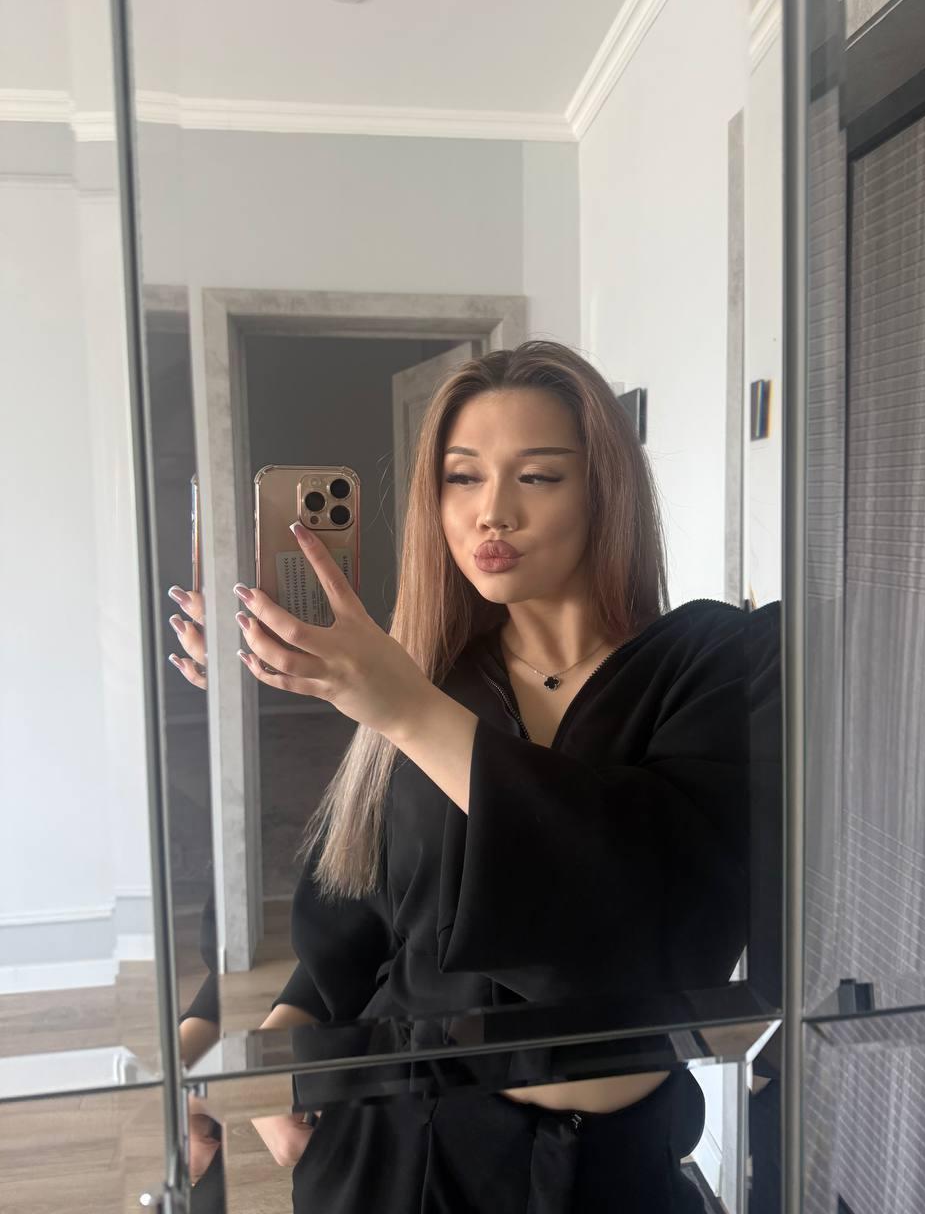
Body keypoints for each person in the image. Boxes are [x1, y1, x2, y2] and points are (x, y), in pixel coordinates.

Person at [170, 339, 770, 1212]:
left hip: (598, 1169)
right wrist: (252, 1071)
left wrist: (407, 711)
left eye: (538, 476)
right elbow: (357, 915)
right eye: (462, 477)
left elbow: (656, 928)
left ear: (605, 491)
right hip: (384, 1149)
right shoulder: (431, 676)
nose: (492, 513)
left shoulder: (709, 660)